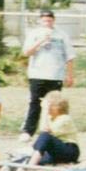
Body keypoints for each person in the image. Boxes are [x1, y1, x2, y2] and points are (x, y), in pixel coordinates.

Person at [20, 8, 73, 138]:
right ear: (40, 21)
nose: (47, 23)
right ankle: (28, 130)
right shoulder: (34, 34)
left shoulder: (61, 35)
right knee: (35, 102)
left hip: (55, 75)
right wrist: (41, 41)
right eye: (44, 21)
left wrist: (70, 75)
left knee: (54, 105)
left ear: (53, 20)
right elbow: (26, 52)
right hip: (37, 73)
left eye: (49, 20)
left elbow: (70, 56)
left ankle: (53, 130)